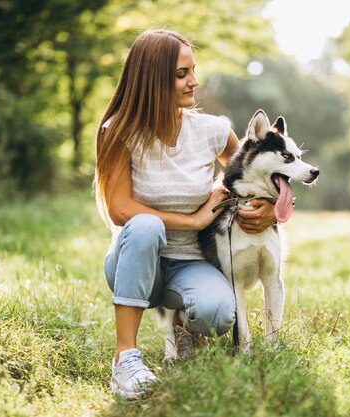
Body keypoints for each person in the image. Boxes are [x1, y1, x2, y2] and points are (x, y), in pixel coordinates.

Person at [94, 29, 277, 399]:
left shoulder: (212, 131)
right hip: (135, 260)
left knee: (218, 312)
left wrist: (273, 209)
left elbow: (257, 173)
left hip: (190, 262)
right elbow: (120, 209)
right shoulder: (118, 132)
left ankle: (183, 329)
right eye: (181, 74)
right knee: (144, 225)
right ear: (152, 80)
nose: (194, 81)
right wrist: (194, 220)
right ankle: (125, 360)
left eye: (193, 70)